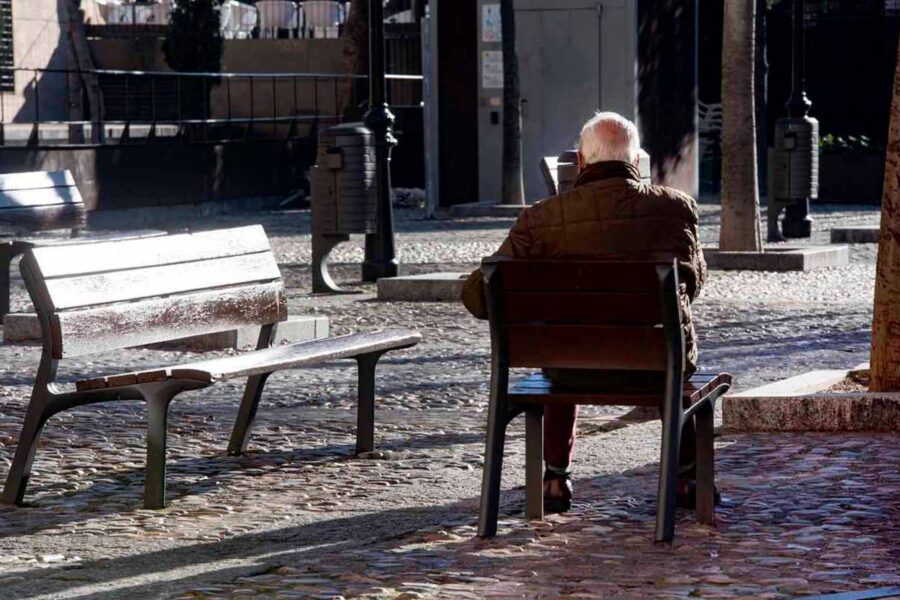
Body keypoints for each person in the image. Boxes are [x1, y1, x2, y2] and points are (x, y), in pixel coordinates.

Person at [461, 111, 708, 513]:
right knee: (671, 359)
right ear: (636, 160)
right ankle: (684, 480)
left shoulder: (540, 219)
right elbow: (693, 284)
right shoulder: (675, 209)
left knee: (565, 343)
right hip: (657, 363)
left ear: (580, 161)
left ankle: (555, 479)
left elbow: (479, 296)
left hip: (569, 367)